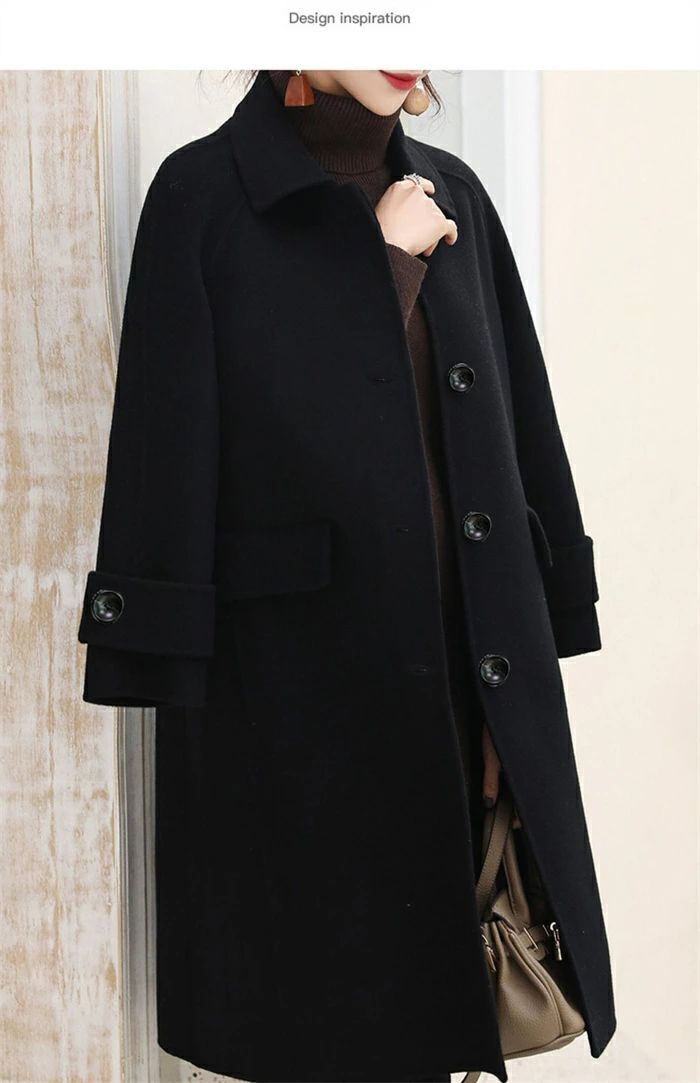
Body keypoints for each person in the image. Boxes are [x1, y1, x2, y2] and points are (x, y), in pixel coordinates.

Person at [77, 68, 615, 1083]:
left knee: (435, 1030)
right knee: (322, 1034)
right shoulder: (203, 196)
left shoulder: (454, 192)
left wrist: (520, 667)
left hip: (460, 689)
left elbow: (515, 434)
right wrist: (381, 266)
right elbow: (193, 439)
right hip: (290, 707)